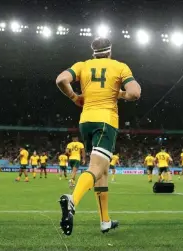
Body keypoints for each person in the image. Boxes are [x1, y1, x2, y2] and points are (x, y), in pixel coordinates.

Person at [55, 37, 141, 235]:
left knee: (102, 172)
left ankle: (105, 221)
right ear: (110, 52)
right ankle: (72, 200)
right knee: (96, 168)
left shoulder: (82, 65)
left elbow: (61, 80)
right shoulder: (119, 67)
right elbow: (135, 93)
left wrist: (74, 97)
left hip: (86, 121)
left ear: (93, 52)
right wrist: (120, 94)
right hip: (106, 121)